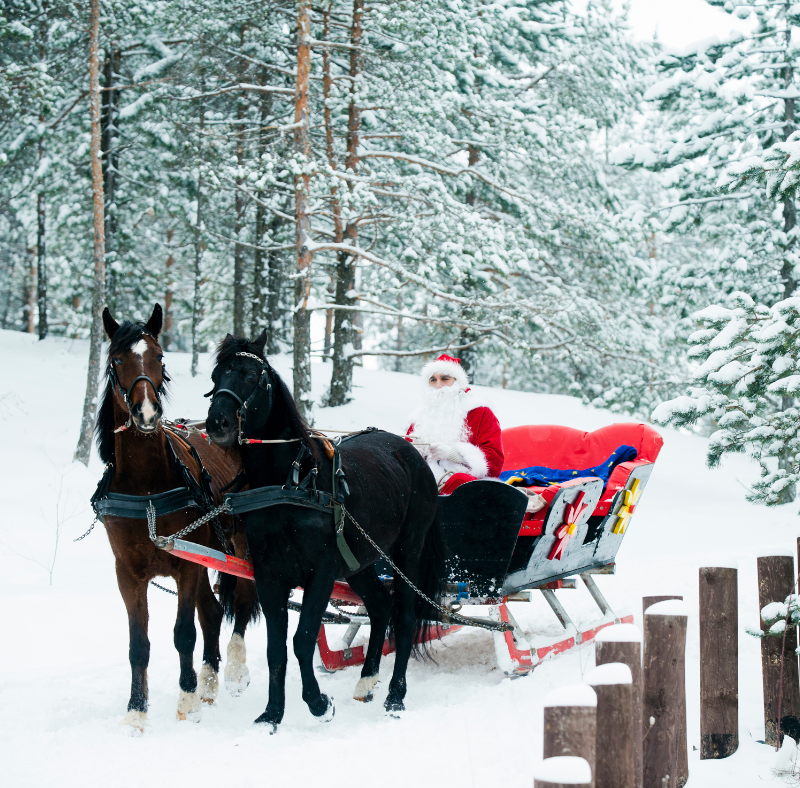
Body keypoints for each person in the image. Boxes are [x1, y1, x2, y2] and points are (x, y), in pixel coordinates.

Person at [406, 354, 546, 512]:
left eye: (445, 379)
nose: (438, 385)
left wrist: (453, 454)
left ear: (457, 382)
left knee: (460, 482)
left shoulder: (481, 413)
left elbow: (494, 462)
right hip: (427, 481)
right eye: (433, 380)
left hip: (467, 484)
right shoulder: (419, 418)